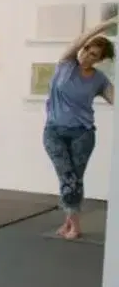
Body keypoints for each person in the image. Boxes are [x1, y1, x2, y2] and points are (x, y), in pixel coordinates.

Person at [42, 16, 116, 239]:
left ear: (99, 60)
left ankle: (69, 224)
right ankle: (75, 225)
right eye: (86, 50)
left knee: (75, 179)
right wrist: (109, 23)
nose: (86, 56)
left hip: (82, 134)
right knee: (67, 176)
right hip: (54, 131)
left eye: (93, 55)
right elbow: (81, 39)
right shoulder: (66, 63)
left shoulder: (99, 80)